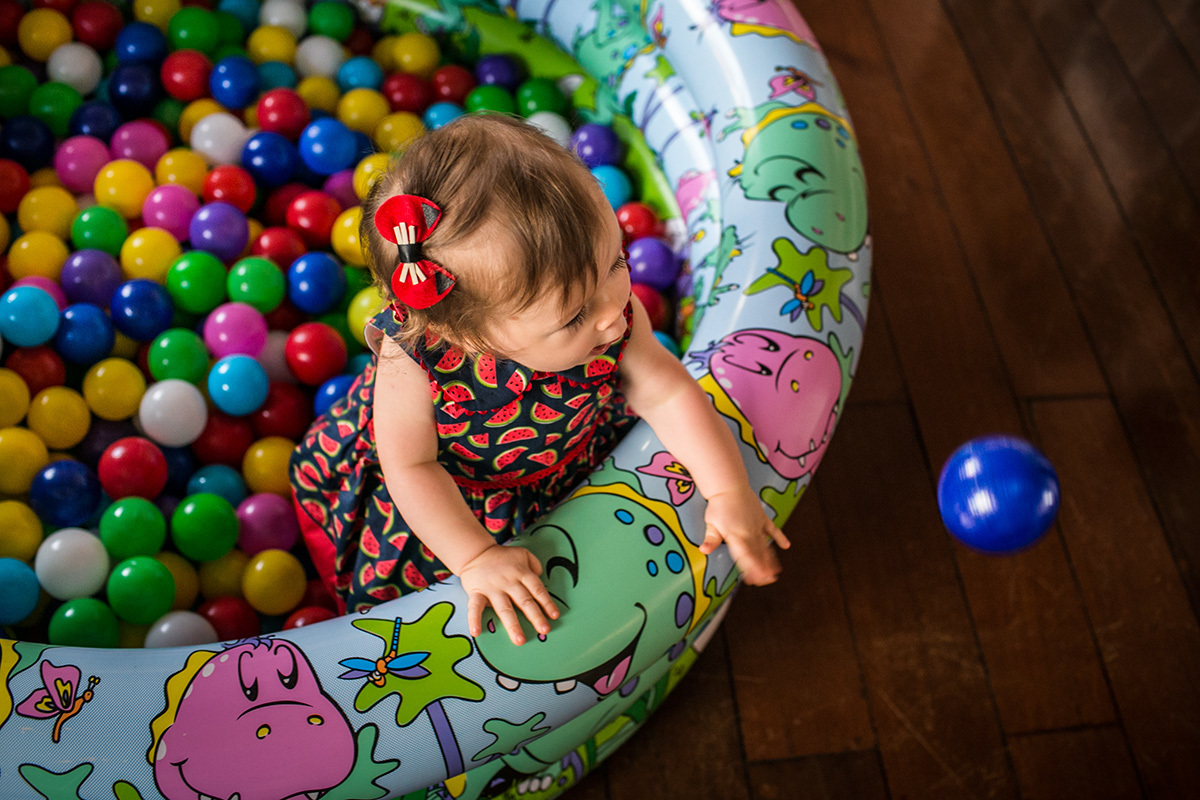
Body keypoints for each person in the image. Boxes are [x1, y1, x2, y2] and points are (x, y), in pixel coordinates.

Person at [290, 113, 789, 646]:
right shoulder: (415, 358)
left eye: (616, 263)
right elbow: (410, 466)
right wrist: (477, 557)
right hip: (454, 499)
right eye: (573, 316)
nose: (612, 313)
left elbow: (664, 390)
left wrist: (728, 490)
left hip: (569, 455)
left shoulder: (609, 317)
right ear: (471, 339)